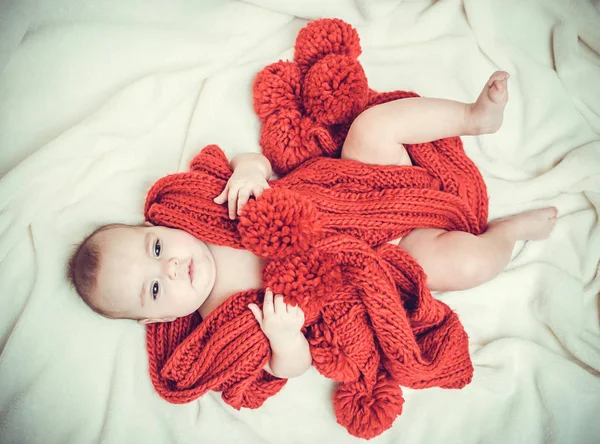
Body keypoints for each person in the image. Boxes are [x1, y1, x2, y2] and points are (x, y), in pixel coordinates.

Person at [67, 71, 558, 379]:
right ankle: (507, 235)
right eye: (154, 290)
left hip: (355, 188)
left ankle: (474, 117)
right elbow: (290, 369)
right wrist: (285, 338)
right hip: (387, 261)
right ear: (157, 321)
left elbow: (245, 156)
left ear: (159, 225)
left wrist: (250, 170)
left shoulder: (206, 206)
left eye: (156, 249)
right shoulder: (220, 330)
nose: (173, 267)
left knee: (372, 127)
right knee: (467, 262)